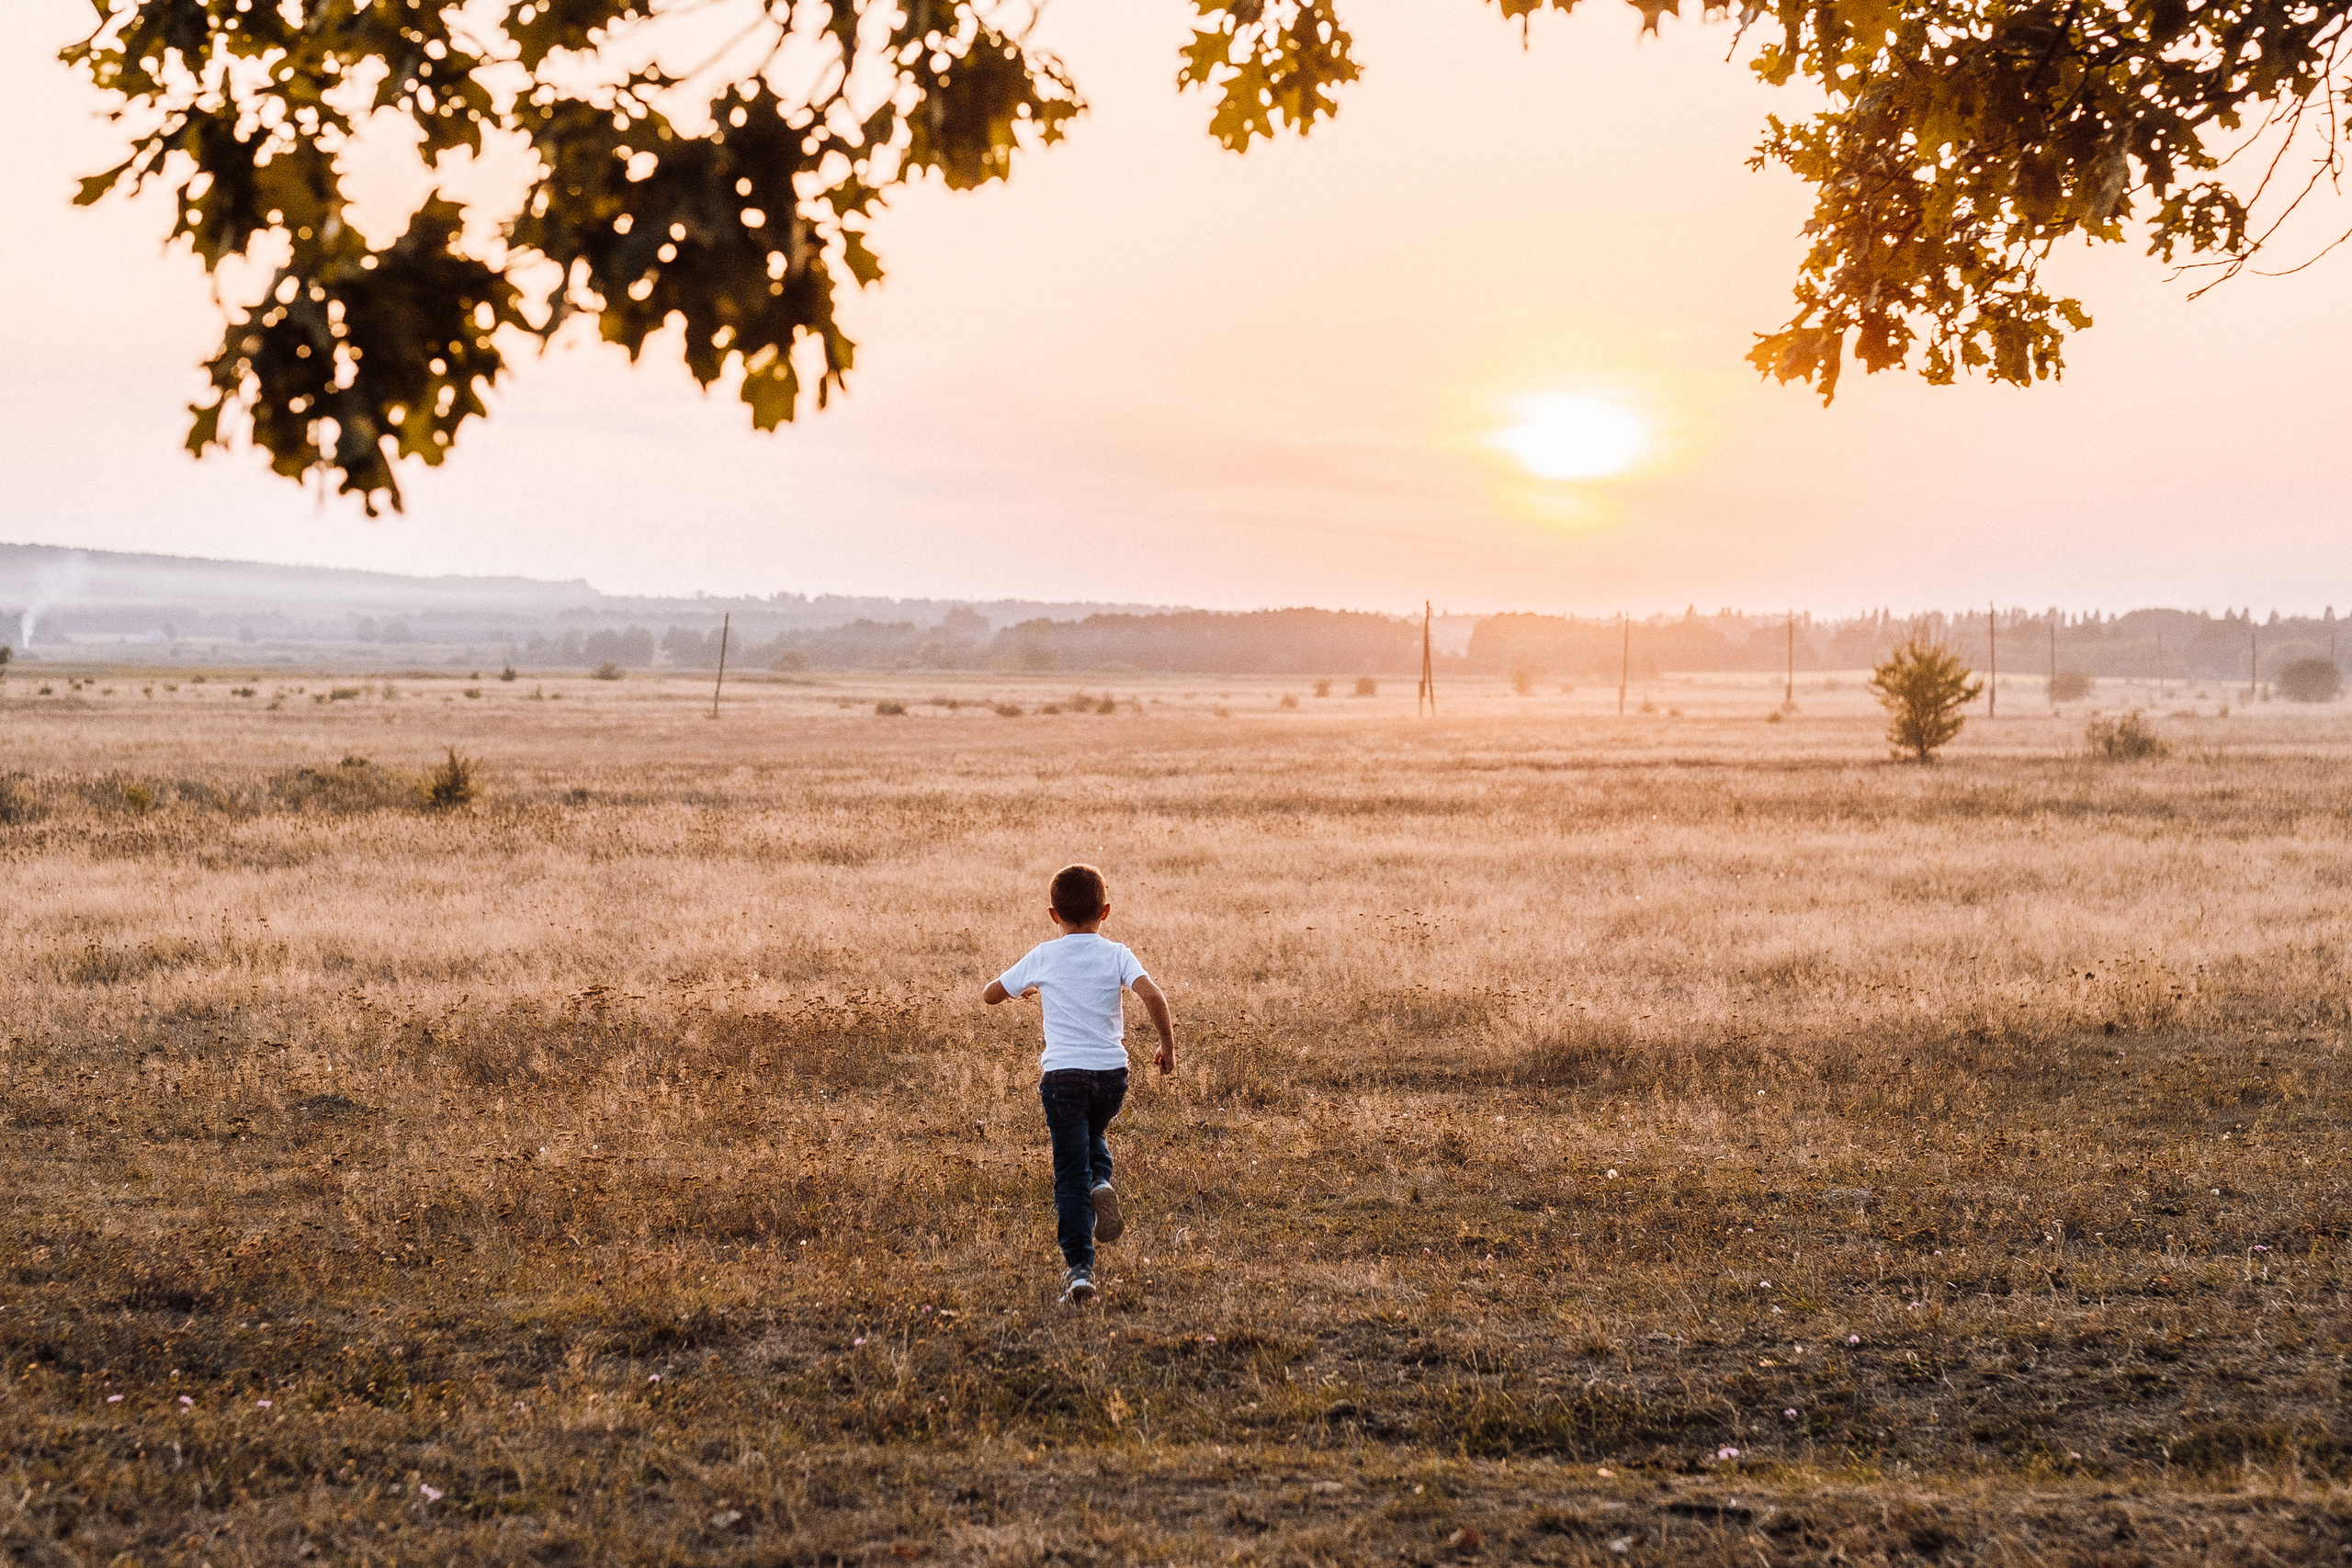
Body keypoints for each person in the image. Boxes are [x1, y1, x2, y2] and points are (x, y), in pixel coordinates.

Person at [982, 863, 1175, 1305]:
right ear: (1105, 911)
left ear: (1054, 915)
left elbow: (991, 994)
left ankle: (1080, 1269)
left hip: (1063, 1078)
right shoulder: (1118, 954)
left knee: (1070, 1174)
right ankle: (1102, 1182)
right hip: (1111, 1077)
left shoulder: (1045, 956)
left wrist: (1022, 988)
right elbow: (1153, 996)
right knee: (1093, 1133)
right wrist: (1168, 1048)